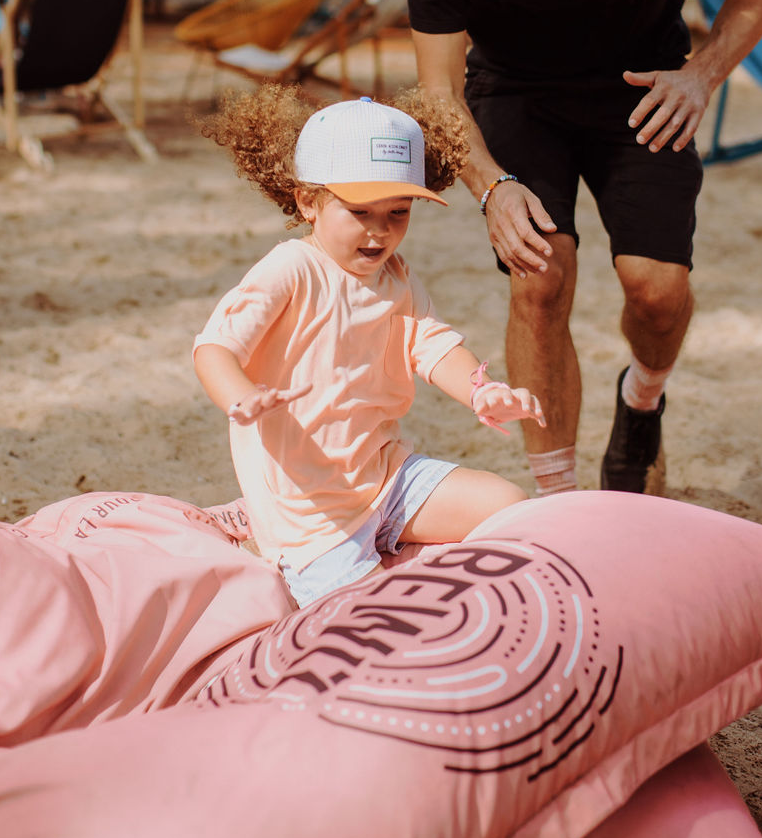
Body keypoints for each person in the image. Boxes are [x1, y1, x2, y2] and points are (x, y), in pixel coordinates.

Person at [405, 0, 762, 498]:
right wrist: (491, 188)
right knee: (540, 276)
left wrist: (701, 75)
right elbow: (437, 89)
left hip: (644, 87)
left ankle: (642, 401)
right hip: (515, 91)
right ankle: (562, 505)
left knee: (656, 289)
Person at [193, 87, 544, 608]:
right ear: (308, 202)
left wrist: (482, 391)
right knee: (370, 616)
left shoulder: (396, 275)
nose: (380, 232)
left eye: (398, 212)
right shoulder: (292, 269)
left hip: (387, 477)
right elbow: (215, 348)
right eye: (360, 211)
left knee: (508, 505)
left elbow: (433, 344)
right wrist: (241, 397)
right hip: (311, 515)